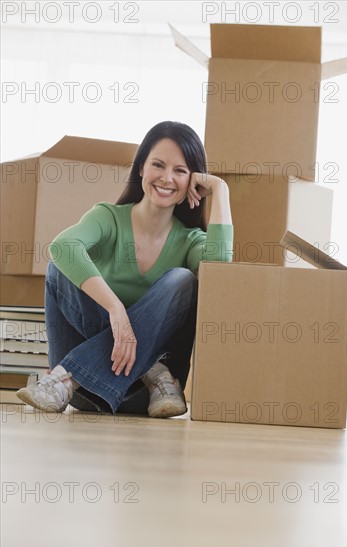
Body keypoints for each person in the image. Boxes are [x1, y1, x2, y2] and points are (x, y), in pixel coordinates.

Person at [17, 121, 233, 418]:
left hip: (152, 398)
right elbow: (63, 247)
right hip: (82, 394)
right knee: (59, 269)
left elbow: (221, 275)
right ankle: (153, 368)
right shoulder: (108, 218)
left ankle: (71, 373)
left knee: (183, 279)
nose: (167, 178)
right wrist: (116, 311)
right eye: (158, 165)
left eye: (180, 171)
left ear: (192, 182)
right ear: (141, 168)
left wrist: (221, 189)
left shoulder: (190, 241)